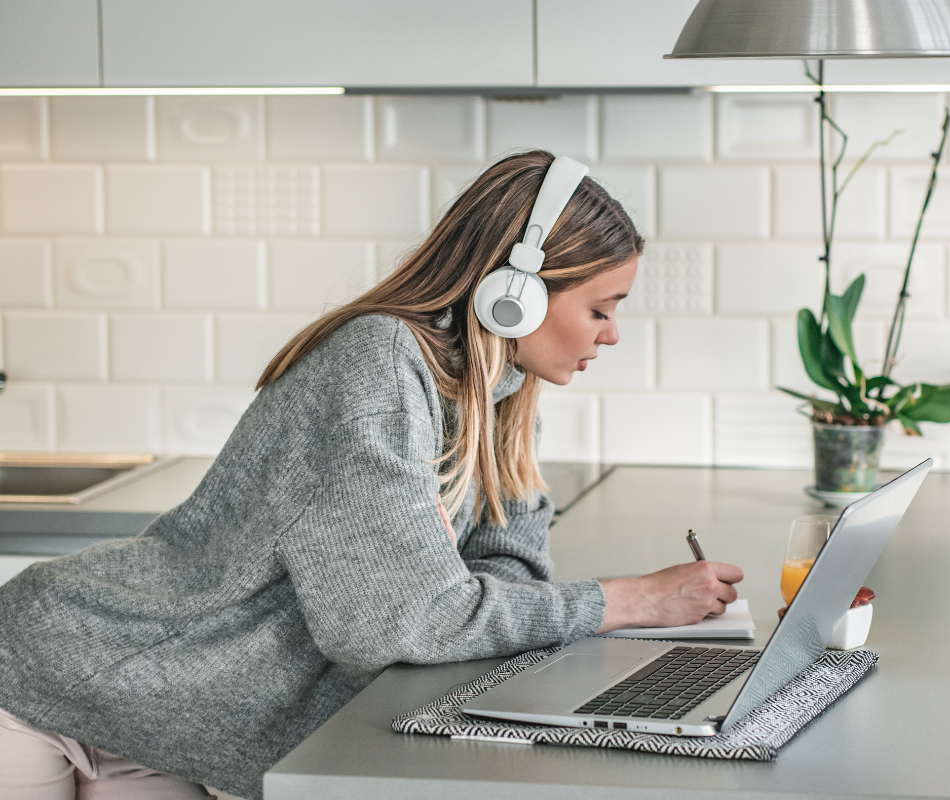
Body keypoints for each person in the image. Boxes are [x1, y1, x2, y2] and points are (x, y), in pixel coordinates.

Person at [0, 150, 743, 800]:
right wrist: (626, 601)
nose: (612, 332)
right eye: (602, 308)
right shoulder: (378, 363)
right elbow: (399, 623)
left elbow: (499, 582)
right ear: (512, 294)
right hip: (55, 670)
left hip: (150, 705)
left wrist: (515, 442)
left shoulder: (495, 397)